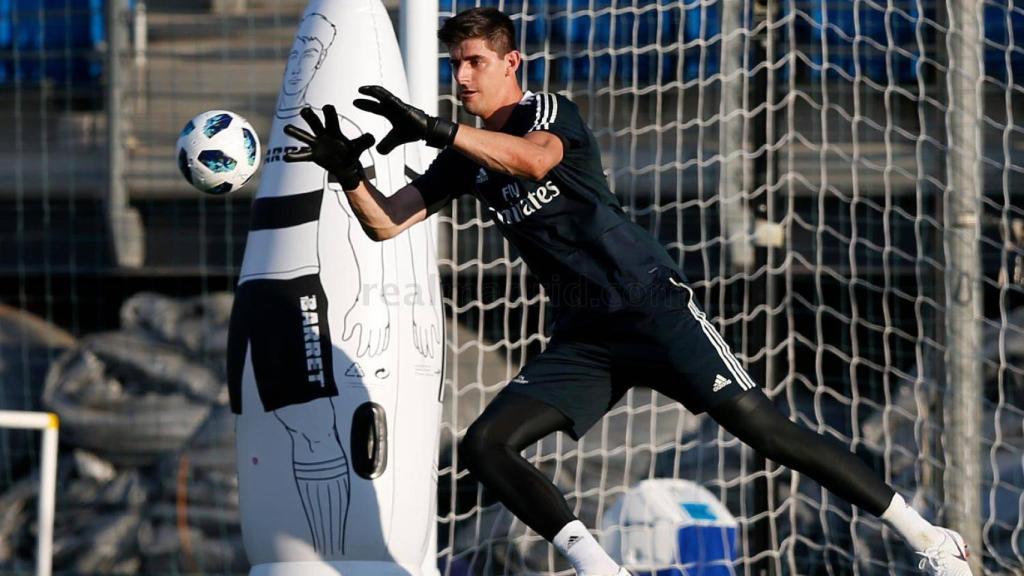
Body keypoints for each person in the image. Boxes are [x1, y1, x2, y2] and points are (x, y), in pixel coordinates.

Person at [281, 7, 974, 576]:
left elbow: (533, 160)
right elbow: (385, 222)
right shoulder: (464, 156)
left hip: (652, 306)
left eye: (474, 62)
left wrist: (439, 129)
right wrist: (349, 175)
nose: (461, 76)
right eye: (454, 64)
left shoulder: (545, 112)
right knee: (487, 445)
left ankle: (928, 537)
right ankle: (599, 568)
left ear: (510, 63)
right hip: (585, 338)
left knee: (762, 430)